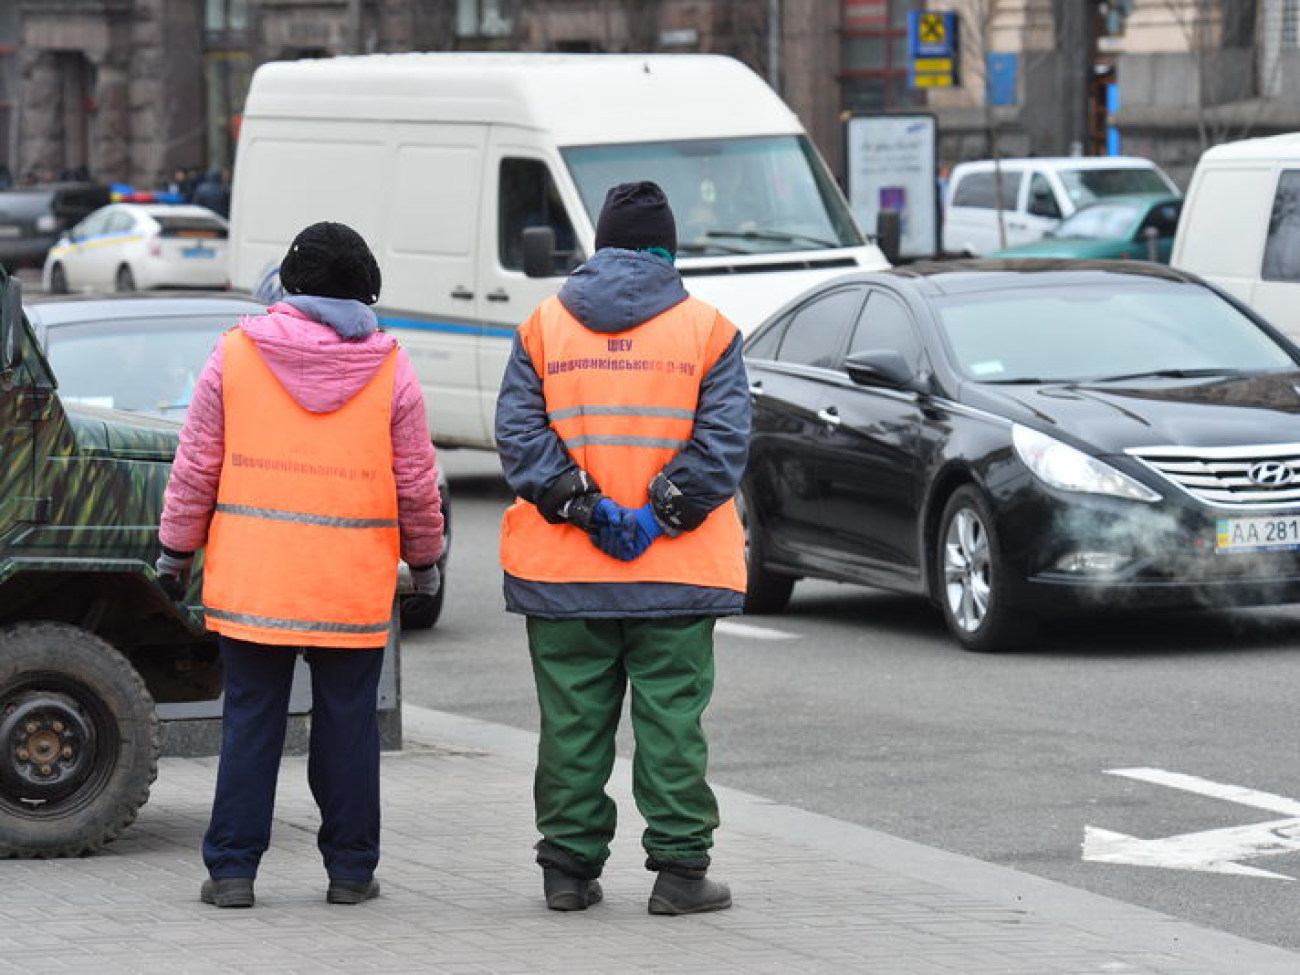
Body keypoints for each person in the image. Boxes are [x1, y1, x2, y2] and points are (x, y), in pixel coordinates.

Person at [155, 221, 444, 909]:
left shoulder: (235, 355)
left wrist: (174, 551)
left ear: (289, 283)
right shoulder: (389, 366)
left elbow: (196, 464)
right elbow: (416, 481)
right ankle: (349, 871)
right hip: (350, 584)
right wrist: (425, 561)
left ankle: (232, 871)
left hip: (257, 580)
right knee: (348, 725)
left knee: (252, 721)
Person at [495, 181, 750, 915]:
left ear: (599, 245)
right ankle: (678, 874)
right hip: (674, 574)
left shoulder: (544, 326)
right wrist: (659, 512)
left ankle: (568, 871)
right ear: (668, 248)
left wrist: (585, 505)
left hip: (564, 572)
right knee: (670, 720)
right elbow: (723, 443)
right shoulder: (710, 331)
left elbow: (519, 435)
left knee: (573, 721)